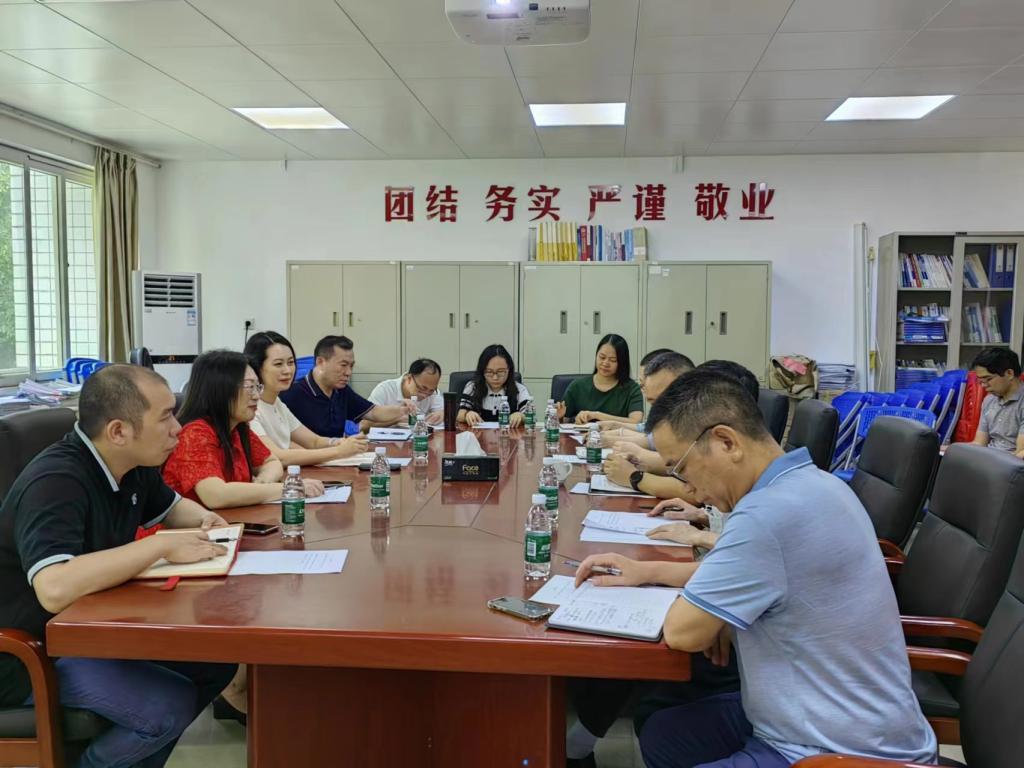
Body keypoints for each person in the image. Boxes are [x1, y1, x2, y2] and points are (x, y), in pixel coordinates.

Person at [575, 370, 938, 768]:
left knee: (669, 723)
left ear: (726, 442)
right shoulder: (816, 483)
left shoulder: (765, 515)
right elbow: (760, 572)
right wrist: (648, 572)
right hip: (823, 718)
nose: (689, 489)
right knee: (665, 733)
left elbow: (683, 632)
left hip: (832, 751)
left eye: (682, 468)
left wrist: (710, 616)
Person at [0, 365, 237, 768]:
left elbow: (173, 509)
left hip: (88, 630)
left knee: (215, 661)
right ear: (118, 432)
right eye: (165, 417)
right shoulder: (56, 482)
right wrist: (157, 547)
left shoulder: (131, 466)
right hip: (30, 652)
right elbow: (54, 588)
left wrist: (209, 522)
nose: (178, 428)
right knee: (165, 709)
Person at [163, 350, 325, 509]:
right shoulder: (194, 433)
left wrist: (262, 483)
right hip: (192, 526)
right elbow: (216, 496)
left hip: (229, 521)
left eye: (257, 387)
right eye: (249, 387)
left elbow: (271, 462)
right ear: (220, 389)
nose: (256, 396)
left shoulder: (237, 429)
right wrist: (290, 488)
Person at [244, 331, 370, 466]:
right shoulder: (249, 407)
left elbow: (313, 441)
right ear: (257, 367)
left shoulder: (277, 402)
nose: (288, 370)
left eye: (291, 362)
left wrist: (339, 442)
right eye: (278, 364)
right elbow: (277, 457)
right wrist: (339, 451)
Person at [280, 335, 412, 438]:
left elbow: (373, 412)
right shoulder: (292, 394)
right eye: (343, 365)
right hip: (310, 460)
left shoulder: (341, 390)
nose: (348, 372)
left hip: (338, 457)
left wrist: (402, 410)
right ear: (320, 362)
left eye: (351, 366)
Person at [560, 334, 644, 425]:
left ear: (622, 362)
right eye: (602, 357)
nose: (605, 363)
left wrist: (597, 415)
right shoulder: (577, 386)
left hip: (617, 434)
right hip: (582, 434)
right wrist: (559, 417)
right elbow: (564, 422)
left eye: (613, 360)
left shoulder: (632, 389)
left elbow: (636, 422)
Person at [458, 344, 533, 427]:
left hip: (508, 434)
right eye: (489, 372)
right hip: (478, 434)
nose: (495, 377)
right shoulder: (473, 387)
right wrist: (467, 414)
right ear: (482, 371)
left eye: (500, 372)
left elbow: (529, 415)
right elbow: (459, 415)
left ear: (509, 370)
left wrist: (521, 416)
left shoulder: (519, 389)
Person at [971, 346, 1024, 458]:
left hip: (1010, 464)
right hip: (989, 459)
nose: (984, 385)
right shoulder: (989, 400)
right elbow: (979, 443)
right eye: (980, 381)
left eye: (988, 379)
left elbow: (1020, 454)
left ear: (1009, 373)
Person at [367, 358, 444, 427]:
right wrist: (396, 419)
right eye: (421, 388)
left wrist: (442, 414)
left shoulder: (432, 393)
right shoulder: (385, 389)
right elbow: (364, 424)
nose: (425, 395)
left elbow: (442, 412)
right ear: (409, 378)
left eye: (431, 390)